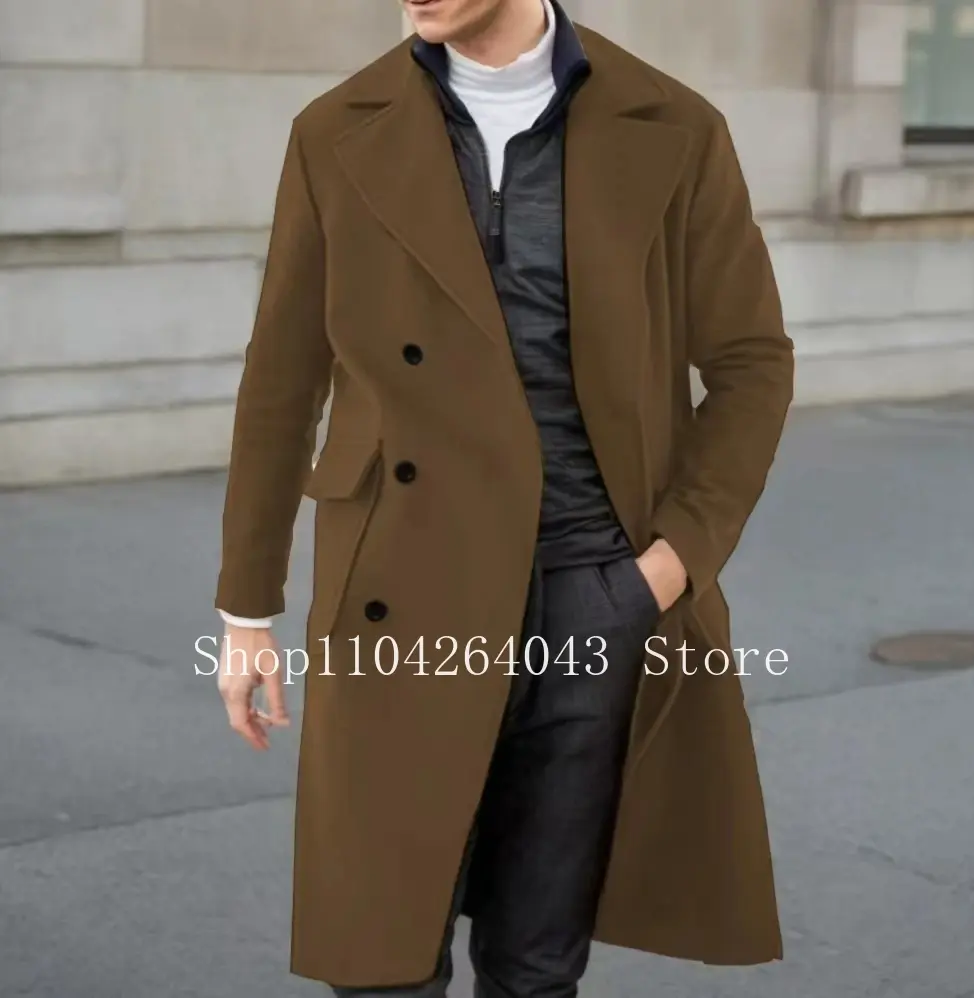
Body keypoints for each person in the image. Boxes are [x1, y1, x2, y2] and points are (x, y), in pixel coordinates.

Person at [213, 0, 795, 994]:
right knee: (380, 960)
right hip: (399, 589)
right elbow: (282, 377)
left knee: (534, 967)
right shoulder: (336, 129)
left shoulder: (673, 124)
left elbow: (750, 363)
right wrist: (245, 609)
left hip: (589, 594)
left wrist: (665, 566)